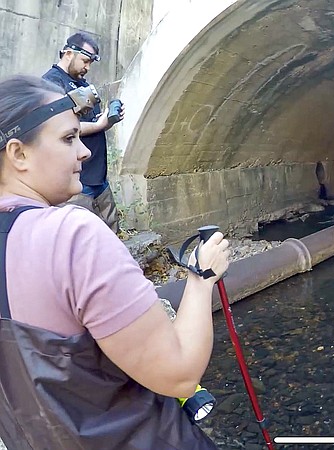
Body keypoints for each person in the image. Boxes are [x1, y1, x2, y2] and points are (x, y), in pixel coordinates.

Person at [0, 75, 229, 448]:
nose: (85, 152)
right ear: (18, 153)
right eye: (68, 138)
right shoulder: (72, 235)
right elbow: (180, 374)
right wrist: (201, 277)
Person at [43, 31, 122, 233]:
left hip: (98, 179)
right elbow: (57, 127)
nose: (87, 67)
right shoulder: (51, 84)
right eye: (85, 61)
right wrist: (99, 125)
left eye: (90, 63)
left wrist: (107, 118)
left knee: (111, 235)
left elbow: (87, 122)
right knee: (82, 240)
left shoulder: (83, 84)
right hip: (77, 182)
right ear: (68, 53)